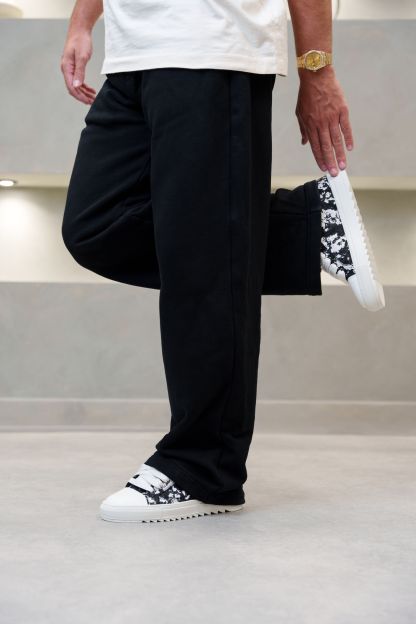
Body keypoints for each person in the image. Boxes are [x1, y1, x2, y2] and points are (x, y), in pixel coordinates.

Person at [60, 0, 385, 523]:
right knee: (96, 225)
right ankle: (309, 228)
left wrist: (317, 70)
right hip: (134, 52)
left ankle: (202, 466)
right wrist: (82, 20)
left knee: (203, 253)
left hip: (213, 45)